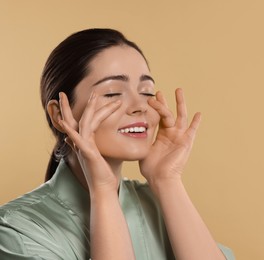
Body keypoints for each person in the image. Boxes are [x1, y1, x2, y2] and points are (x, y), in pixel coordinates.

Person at [0, 28, 234, 260]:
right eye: (113, 93)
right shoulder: (16, 230)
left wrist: (167, 179)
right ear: (60, 114)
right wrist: (103, 192)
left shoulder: (162, 204)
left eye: (147, 92)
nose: (140, 106)